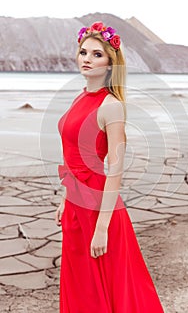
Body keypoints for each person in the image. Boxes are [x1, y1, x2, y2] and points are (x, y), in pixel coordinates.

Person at [55, 21, 164, 312]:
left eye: (97, 54)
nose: (87, 59)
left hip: (98, 207)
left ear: (110, 63)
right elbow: (72, 158)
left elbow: (115, 170)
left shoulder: (111, 106)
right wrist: (65, 199)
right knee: (80, 283)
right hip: (76, 204)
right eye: (83, 52)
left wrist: (102, 227)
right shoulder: (79, 97)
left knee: (104, 285)